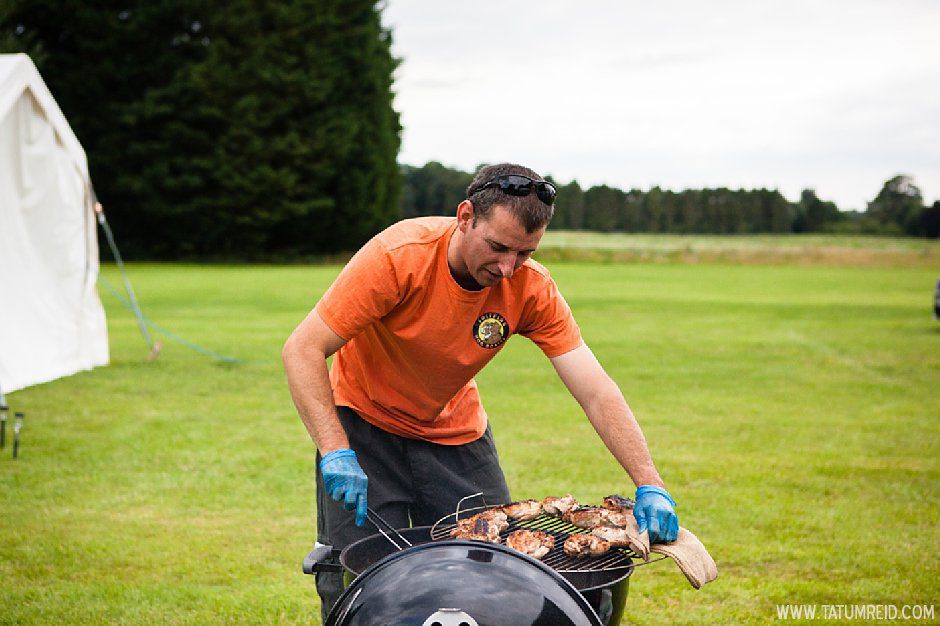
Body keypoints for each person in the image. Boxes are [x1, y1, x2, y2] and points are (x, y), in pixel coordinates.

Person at [282, 163, 679, 620]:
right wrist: (335, 451)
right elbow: (303, 349)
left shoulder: (532, 289)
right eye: (498, 247)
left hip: (456, 433)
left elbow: (596, 390)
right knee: (362, 578)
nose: (508, 268)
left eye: (524, 253)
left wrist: (649, 481)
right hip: (364, 425)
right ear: (466, 216)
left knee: (494, 570)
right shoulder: (399, 256)